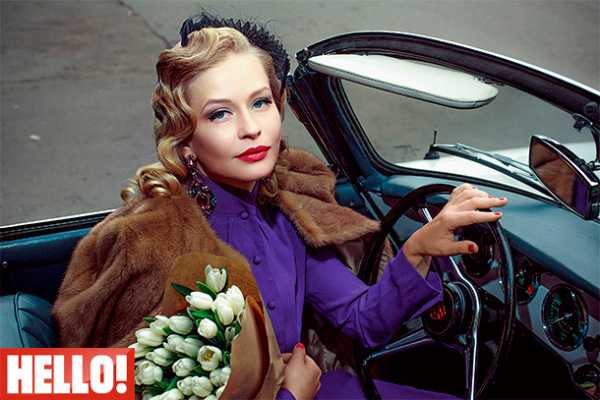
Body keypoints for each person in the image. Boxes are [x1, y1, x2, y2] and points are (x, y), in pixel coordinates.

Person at [52, 13, 508, 399]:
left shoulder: (285, 214)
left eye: (260, 102)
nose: (250, 128)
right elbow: (119, 385)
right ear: (185, 141)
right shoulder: (152, 242)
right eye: (220, 113)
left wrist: (419, 251)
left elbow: (362, 321)